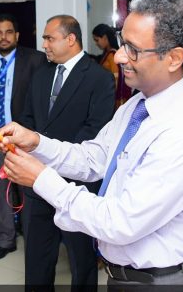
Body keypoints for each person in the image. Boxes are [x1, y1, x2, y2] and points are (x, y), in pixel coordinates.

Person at [0, 0, 183, 288]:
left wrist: (41, 179)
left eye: (133, 49)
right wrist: (38, 143)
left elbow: (120, 222)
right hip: (127, 277)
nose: (118, 56)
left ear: (174, 58)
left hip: (163, 282)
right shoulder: (137, 105)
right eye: (121, 42)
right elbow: (95, 158)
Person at [16, 15, 115, 289]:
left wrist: (56, 159)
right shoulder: (41, 74)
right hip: (37, 181)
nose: (44, 44)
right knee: (37, 258)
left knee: (81, 261)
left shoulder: (99, 78)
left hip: (77, 185)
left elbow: (95, 131)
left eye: (49, 38)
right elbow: (28, 117)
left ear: (70, 39)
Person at [0, 13, 46, 260]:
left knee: (27, 188)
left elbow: (39, 99)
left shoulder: (34, 59)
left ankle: (31, 234)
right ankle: (6, 239)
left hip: (20, 134)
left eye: (9, 32)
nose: (4, 37)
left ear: (17, 35)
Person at [92, 23, 131, 107]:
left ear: (105, 37)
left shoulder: (112, 56)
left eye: (97, 40)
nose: (96, 43)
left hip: (113, 99)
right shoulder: (108, 54)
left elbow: (115, 79)